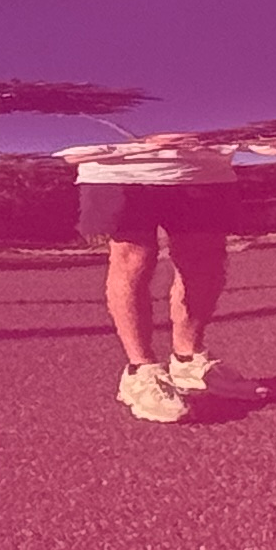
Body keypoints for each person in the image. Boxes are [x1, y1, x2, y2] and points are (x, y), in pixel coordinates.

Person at [58, 127, 255, 423]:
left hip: (203, 167)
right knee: (133, 259)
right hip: (118, 168)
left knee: (205, 259)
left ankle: (188, 361)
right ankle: (141, 370)